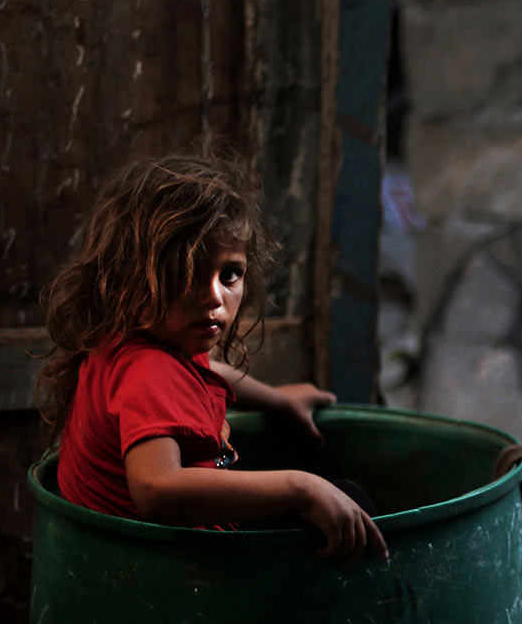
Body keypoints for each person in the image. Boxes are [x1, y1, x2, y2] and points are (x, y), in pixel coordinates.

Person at [37, 152, 387, 565]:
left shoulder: (138, 339)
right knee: (350, 503)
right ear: (135, 273)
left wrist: (277, 400)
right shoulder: (147, 371)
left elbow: (208, 371)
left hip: (146, 557)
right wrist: (302, 488)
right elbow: (156, 490)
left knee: (341, 500)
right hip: (168, 573)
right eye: (187, 272)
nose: (215, 296)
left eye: (230, 274)